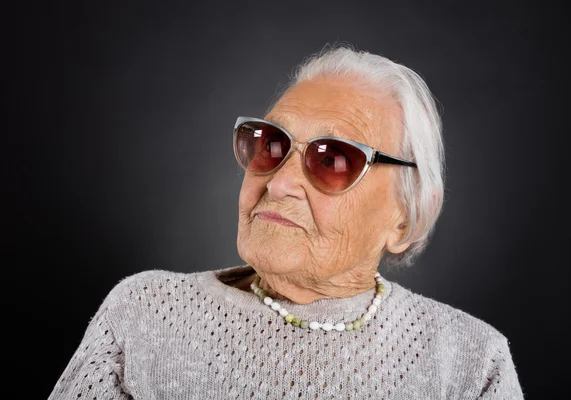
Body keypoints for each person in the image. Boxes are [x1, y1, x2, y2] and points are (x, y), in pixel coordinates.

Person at [49, 44, 524, 399]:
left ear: (403, 219)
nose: (278, 183)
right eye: (270, 144)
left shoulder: (471, 362)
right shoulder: (144, 313)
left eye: (333, 159)